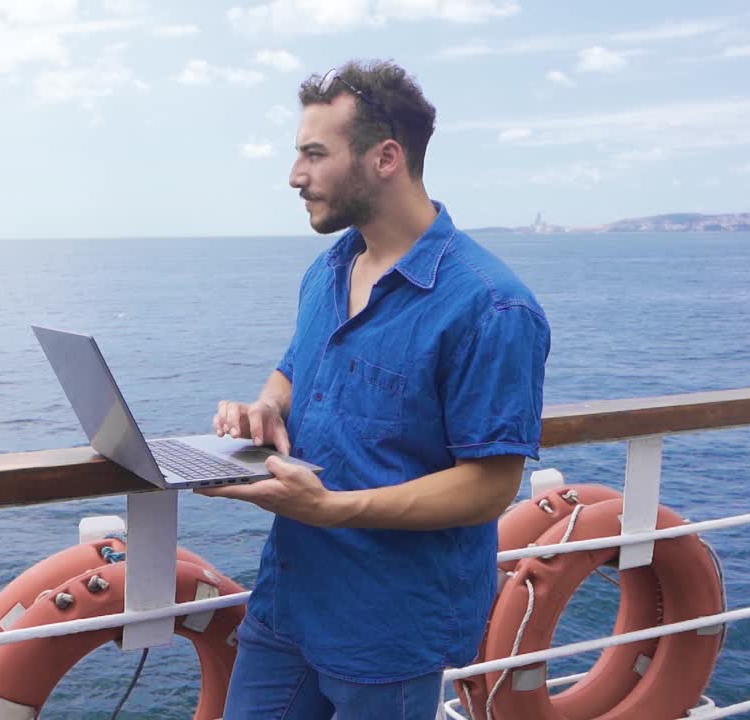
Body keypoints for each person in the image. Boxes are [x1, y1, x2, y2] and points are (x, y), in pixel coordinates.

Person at [197, 59, 551, 719]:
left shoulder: (491, 305)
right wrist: (268, 404)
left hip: (388, 630)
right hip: (289, 600)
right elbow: (296, 367)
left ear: (386, 157)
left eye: (314, 154)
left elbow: (492, 486)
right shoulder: (329, 268)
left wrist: (334, 507)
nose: (295, 176)